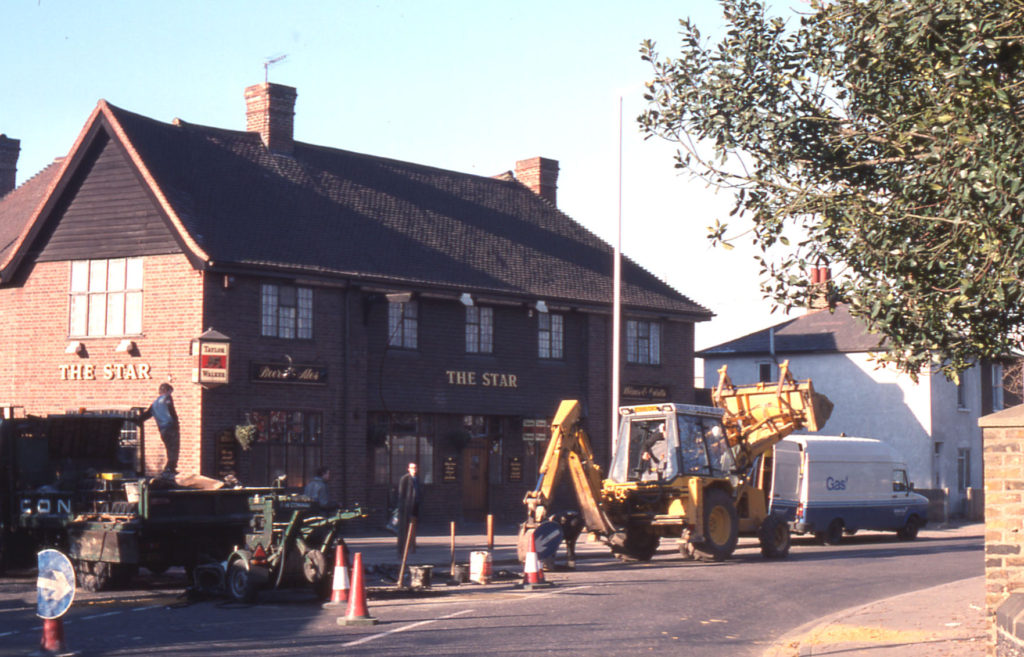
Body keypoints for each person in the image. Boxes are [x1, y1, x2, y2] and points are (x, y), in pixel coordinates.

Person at [137, 383, 179, 475]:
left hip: (162, 429)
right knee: (174, 449)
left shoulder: (154, 403)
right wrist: (175, 421)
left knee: (169, 448)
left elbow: (146, 415)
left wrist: (136, 419)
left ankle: (169, 468)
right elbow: (171, 409)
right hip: (170, 427)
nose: (171, 394)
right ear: (167, 390)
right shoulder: (167, 398)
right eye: (170, 392)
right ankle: (170, 468)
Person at [396, 462, 422, 556]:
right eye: (412, 468)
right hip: (406, 507)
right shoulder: (405, 479)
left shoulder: (417, 479)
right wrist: (403, 506)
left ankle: (413, 546)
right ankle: (402, 549)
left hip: (415, 506)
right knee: (404, 528)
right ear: (408, 469)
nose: (414, 469)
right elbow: (401, 494)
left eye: (415, 467)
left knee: (414, 526)